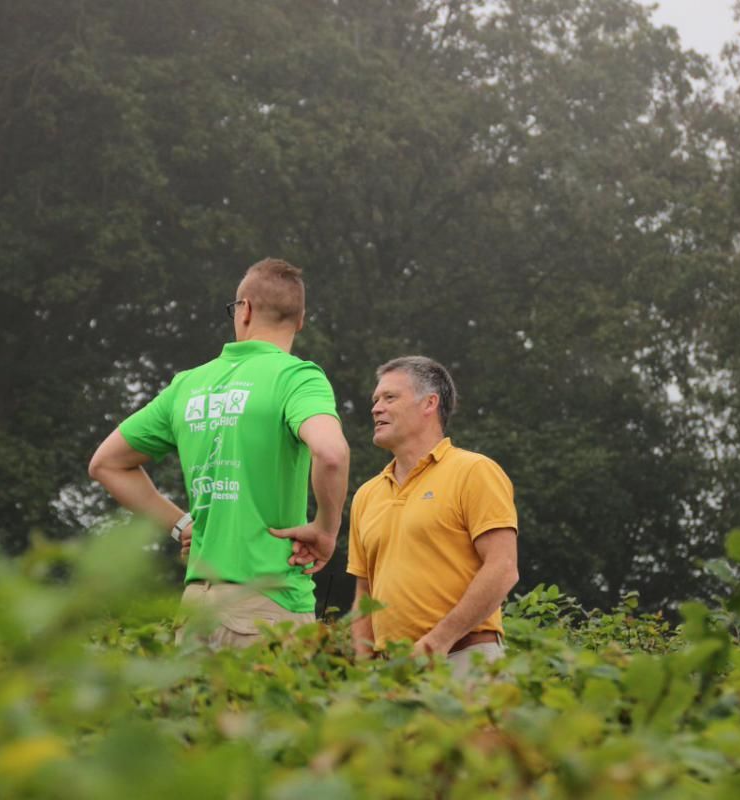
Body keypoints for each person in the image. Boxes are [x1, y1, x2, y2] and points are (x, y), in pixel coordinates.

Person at [88, 258, 349, 648]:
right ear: (300, 320)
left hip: (197, 609)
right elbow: (331, 453)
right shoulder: (297, 378)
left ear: (243, 310)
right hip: (268, 606)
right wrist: (326, 529)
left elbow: (106, 464)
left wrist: (182, 526)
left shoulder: (188, 384)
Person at [346, 356, 519, 678]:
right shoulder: (366, 495)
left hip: (465, 658)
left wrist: (437, 641)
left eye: (389, 398)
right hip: (392, 675)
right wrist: (365, 671)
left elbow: (503, 568)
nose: (376, 408)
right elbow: (364, 596)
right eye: (375, 400)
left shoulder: (474, 471)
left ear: (429, 403)